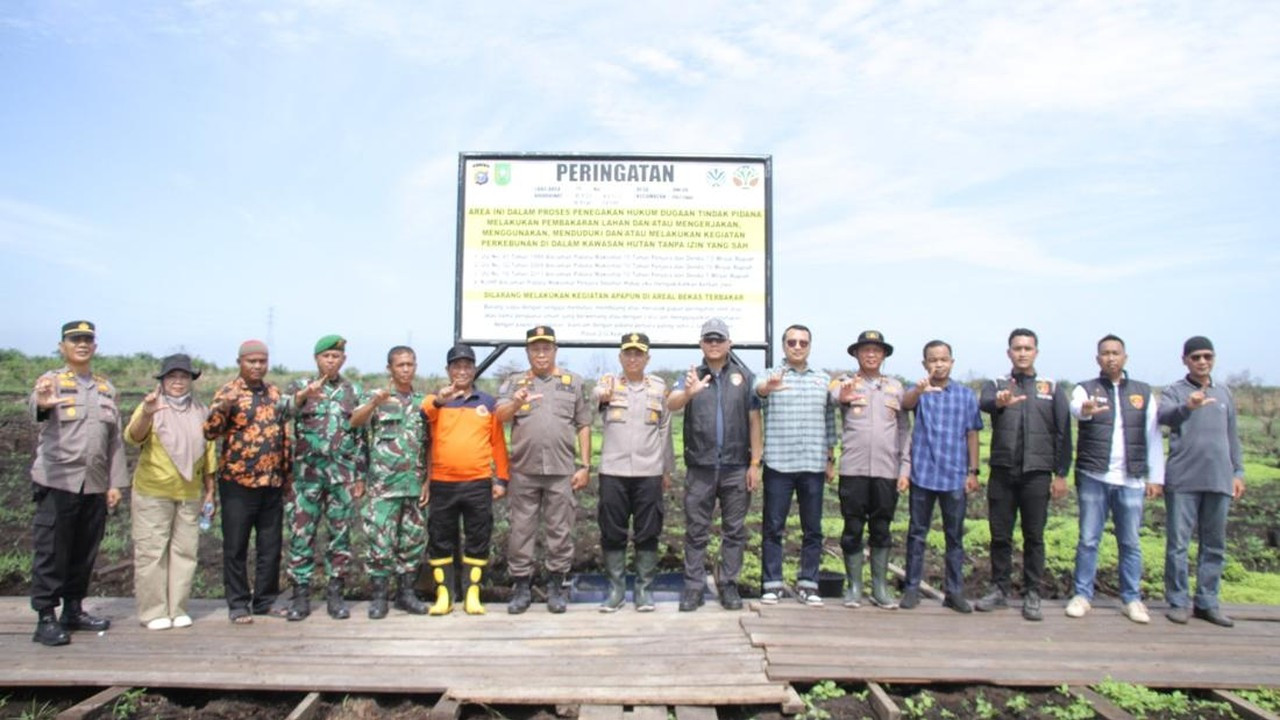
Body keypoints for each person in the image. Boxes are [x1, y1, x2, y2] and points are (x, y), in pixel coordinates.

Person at [28, 320, 127, 646]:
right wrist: (42, 403)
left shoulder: (105, 388)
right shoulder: (51, 381)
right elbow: (37, 409)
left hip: (94, 484)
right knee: (51, 552)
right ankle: (45, 617)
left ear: (94, 346)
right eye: (75, 340)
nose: (82, 345)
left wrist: (114, 484)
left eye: (87, 340)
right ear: (62, 347)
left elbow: (114, 441)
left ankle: (73, 610)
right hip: (58, 481)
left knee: (84, 551)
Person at [1065, 335, 1164, 624]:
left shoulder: (1143, 393)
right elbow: (1076, 408)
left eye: (1115, 353)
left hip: (1131, 479)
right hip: (1094, 476)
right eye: (1105, 353)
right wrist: (1084, 411)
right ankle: (1082, 595)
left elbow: (1153, 436)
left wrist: (1155, 477)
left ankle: (1132, 599)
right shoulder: (1086, 389)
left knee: (1130, 542)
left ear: (1125, 357)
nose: (1111, 358)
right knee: (1088, 539)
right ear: (1098, 359)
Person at [975, 328, 1072, 622]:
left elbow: (1063, 432)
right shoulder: (997, 384)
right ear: (1009, 353)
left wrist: (1061, 474)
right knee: (1000, 536)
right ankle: (999, 589)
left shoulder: (1051, 388)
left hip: (1037, 474)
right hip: (1003, 472)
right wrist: (1000, 403)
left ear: (1036, 352)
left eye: (1027, 348)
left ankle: (1032, 593)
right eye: (1017, 348)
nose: (1022, 353)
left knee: (1034, 536)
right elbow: (985, 403)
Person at [495, 326, 593, 614]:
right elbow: (499, 416)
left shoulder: (573, 382)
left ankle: (555, 587)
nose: (541, 354)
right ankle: (521, 588)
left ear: (555, 350)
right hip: (523, 471)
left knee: (560, 531)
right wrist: (516, 402)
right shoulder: (514, 382)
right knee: (520, 531)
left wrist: (585, 466)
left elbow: (584, 424)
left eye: (546, 348)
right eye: (535, 349)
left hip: (562, 471)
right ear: (528, 352)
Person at [667, 318, 762, 612]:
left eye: (719, 339)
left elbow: (754, 421)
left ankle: (728, 583)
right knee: (696, 530)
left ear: (729, 343)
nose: (714, 344)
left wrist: (755, 463)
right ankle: (694, 587)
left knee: (734, 531)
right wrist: (689, 393)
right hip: (701, 467)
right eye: (709, 339)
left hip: (736, 466)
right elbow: (671, 403)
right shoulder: (691, 376)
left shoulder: (745, 377)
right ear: (701, 344)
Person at [126, 353, 217, 630]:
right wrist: (147, 412)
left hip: (189, 493)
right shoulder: (151, 406)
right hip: (153, 491)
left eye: (184, 376)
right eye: (172, 377)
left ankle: (177, 608)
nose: (178, 382)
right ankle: (154, 612)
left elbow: (209, 452)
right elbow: (133, 436)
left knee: (185, 552)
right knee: (152, 552)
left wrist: (210, 491)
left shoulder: (200, 410)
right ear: (163, 380)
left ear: (191, 380)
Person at [1159, 336, 1245, 627]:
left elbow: (1232, 435)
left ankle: (1207, 602)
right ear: (1185, 360)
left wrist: (1238, 472)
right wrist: (1188, 407)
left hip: (1219, 478)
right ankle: (1178, 601)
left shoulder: (1224, 393)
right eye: (1195, 357)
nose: (1202, 361)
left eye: (1207, 356)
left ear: (1214, 359)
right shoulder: (1174, 391)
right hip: (1183, 479)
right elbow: (1165, 416)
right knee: (1178, 545)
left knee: (1214, 544)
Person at [204, 339, 292, 624]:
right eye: (251, 361)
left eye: (262, 361)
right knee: (236, 546)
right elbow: (209, 433)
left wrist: (287, 475)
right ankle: (238, 603)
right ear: (240, 363)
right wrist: (223, 409)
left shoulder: (274, 393)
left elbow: (284, 436)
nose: (257, 366)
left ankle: (265, 600)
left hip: (271, 482)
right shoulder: (228, 393)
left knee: (270, 547)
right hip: (238, 483)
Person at [279, 335, 366, 621]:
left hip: (341, 477)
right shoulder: (299, 386)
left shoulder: (353, 391)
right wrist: (303, 396)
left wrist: (360, 475)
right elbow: (280, 413)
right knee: (301, 536)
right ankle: (300, 596)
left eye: (336, 356)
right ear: (316, 358)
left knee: (340, 537)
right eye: (326, 356)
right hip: (306, 478)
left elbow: (360, 435)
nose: (331, 361)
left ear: (343, 360)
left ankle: (335, 595)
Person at [420, 343, 510, 616]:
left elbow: (498, 443)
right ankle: (445, 595)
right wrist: (441, 399)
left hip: (478, 482)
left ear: (474, 369)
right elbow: (425, 413)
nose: (462, 371)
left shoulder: (487, 403)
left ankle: (472, 593)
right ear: (448, 370)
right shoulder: (435, 401)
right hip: (442, 483)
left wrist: (502, 478)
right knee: (440, 539)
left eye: (467, 366)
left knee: (478, 537)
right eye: (456, 366)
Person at [898, 340, 983, 613]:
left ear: (952, 362)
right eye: (933, 360)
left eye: (943, 359)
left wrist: (973, 471)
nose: (939, 364)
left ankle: (954, 592)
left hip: (954, 475)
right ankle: (912, 588)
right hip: (922, 474)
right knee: (917, 534)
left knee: (954, 537)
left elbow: (972, 434)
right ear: (925, 364)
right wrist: (919, 390)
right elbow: (905, 404)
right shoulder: (919, 391)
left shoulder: (966, 395)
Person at [755, 324, 837, 606]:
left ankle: (808, 584)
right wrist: (768, 387)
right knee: (773, 527)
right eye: (792, 342)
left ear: (810, 346)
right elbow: (759, 391)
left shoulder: (822, 379)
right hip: (779, 464)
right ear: (784, 346)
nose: (798, 347)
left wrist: (830, 459)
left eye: (803, 342)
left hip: (813, 464)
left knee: (812, 529)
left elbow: (830, 421)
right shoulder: (770, 375)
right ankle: (772, 583)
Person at [594, 332, 675, 612]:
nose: (632, 359)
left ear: (647, 358)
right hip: (613, 470)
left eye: (638, 354)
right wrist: (602, 394)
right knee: (611, 531)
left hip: (649, 471)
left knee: (648, 531)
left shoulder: (658, 387)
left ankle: (643, 591)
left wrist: (666, 469)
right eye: (628, 353)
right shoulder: (608, 384)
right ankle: (616, 590)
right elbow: (596, 399)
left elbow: (665, 430)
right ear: (620, 357)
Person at [831, 330, 911, 610]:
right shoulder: (845, 381)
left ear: (884, 355)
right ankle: (854, 587)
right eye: (865, 350)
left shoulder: (896, 388)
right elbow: (834, 395)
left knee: (881, 528)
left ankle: (879, 587)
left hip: (887, 470)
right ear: (856, 354)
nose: (871, 354)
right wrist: (843, 394)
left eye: (876, 350)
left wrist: (905, 468)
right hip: (853, 469)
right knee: (852, 527)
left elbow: (904, 430)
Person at [350, 346, 429, 619]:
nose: (406, 369)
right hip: (383, 486)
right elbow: (355, 423)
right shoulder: (377, 398)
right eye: (400, 365)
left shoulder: (422, 402)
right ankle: (379, 597)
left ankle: (406, 594)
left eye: (410, 364)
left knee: (412, 542)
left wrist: (428, 481)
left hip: (414, 485)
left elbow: (430, 444)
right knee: (380, 543)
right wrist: (373, 403)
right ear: (389, 369)